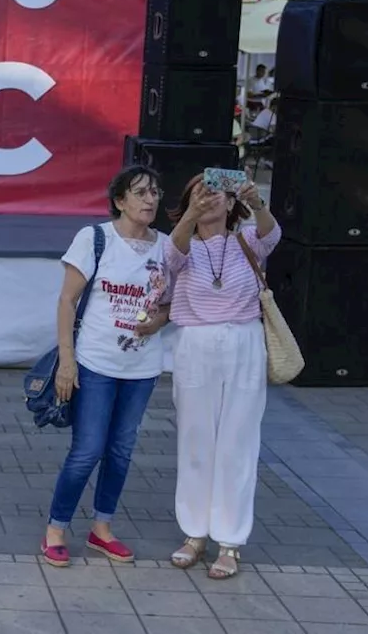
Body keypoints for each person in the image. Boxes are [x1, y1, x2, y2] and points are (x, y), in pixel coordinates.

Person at [41, 165, 173, 567]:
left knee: (121, 450)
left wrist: (158, 321)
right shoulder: (95, 238)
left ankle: (102, 528)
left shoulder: (166, 246)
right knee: (87, 450)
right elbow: (66, 301)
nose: (150, 199)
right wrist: (67, 362)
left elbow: (170, 304)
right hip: (95, 363)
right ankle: (57, 527)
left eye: (155, 192)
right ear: (120, 201)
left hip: (142, 367)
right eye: (140, 192)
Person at [164, 173, 279, 579]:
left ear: (232, 203)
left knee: (238, 441)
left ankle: (229, 541)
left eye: (218, 194)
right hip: (195, 341)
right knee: (195, 439)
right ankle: (194, 534)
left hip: (244, 340)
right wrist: (190, 215)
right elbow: (170, 256)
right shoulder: (183, 243)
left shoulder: (248, 237)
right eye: (201, 192)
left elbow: (271, 233)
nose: (210, 199)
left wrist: (258, 201)